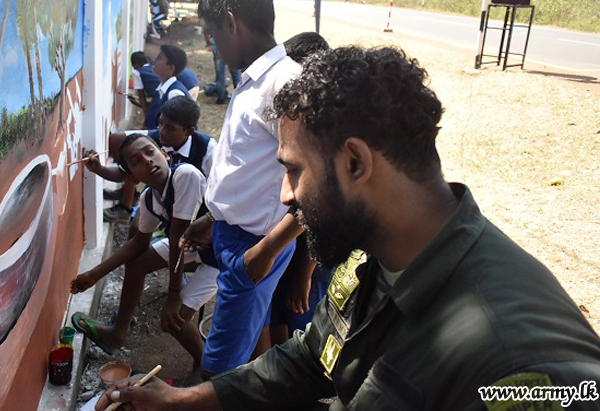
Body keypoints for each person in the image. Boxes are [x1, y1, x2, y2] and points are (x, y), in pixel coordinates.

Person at [95, 46, 600, 411]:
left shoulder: (521, 363)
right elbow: (314, 357)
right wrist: (185, 401)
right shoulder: (365, 257)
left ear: (355, 163)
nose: (285, 195)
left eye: (293, 170)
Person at [178, 0, 304, 380]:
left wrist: (266, 251)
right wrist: (214, 219)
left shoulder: (282, 85)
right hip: (237, 237)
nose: (211, 43)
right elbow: (249, 167)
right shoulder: (256, 80)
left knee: (219, 368)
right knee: (241, 349)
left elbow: (320, 186)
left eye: (212, 32)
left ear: (231, 22)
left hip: (255, 245)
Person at [71, 133, 219, 377]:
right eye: (137, 161)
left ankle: (203, 362)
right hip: (192, 248)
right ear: (131, 176)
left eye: (150, 152)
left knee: (172, 319)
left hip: (219, 257)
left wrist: (173, 295)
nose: (148, 161)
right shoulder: (150, 199)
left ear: (164, 153)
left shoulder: (186, 176)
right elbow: (139, 243)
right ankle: (118, 332)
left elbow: (177, 241)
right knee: (137, 263)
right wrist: (94, 274)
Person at [269, 31, 332, 345]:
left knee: (301, 321)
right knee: (279, 313)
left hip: (310, 254)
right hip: (292, 244)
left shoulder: (319, 121)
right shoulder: (293, 112)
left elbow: (321, 209)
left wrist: (304, 273)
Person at [94, 97, 216, 226]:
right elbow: (124, 173)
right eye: (160, 123)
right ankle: (127, 208)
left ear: (189, 131)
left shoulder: (207, 148)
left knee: (178, 233)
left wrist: (209, 220)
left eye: (170, 128)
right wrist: (99, 169)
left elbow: (218, 191)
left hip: (195, 207)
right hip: (161, 198)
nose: (162, 131)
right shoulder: (152, 143)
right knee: (137, 226)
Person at [146, 44, 190, 130]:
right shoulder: (162, 89)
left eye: (159, 58)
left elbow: (176, 132)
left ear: (170, 67)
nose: (154, 61)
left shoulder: (174, 94)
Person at [203, 30, 241, 105]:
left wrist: (208, 43)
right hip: (232, 48)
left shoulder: (212, 19)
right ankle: (239, 96)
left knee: (220, 75)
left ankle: (221, 98)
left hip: (218, 49)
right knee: (235, 73)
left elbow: (206, 31)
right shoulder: (231, 19)